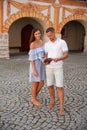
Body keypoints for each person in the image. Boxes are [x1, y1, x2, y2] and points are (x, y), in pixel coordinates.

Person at [44, 27, 68, 115]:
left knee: (60, 87)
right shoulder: (46, 44)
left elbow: (66, 55)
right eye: (48, 36)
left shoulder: (62, 42)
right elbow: (46, 55)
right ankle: (53, 101)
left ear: (54, 33)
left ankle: (61, 107)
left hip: (58, 67)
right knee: (50, 86)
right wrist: (45, 60)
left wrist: (58, 59)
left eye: (50, 35)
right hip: (49, 68)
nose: (49, 37)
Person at [28, 28, 46, 107]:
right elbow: (31, 59)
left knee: (41, 83)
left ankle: (33, 97)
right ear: (33, 35)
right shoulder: (33, 44)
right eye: (36, 34)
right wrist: (34, 70)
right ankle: (34, 99)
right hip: (35, 65)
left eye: (39, 33)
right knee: (35, 84)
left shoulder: (42, 42)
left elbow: (44, 53)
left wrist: (45, 58)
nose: (38, 35)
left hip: (41, 65)